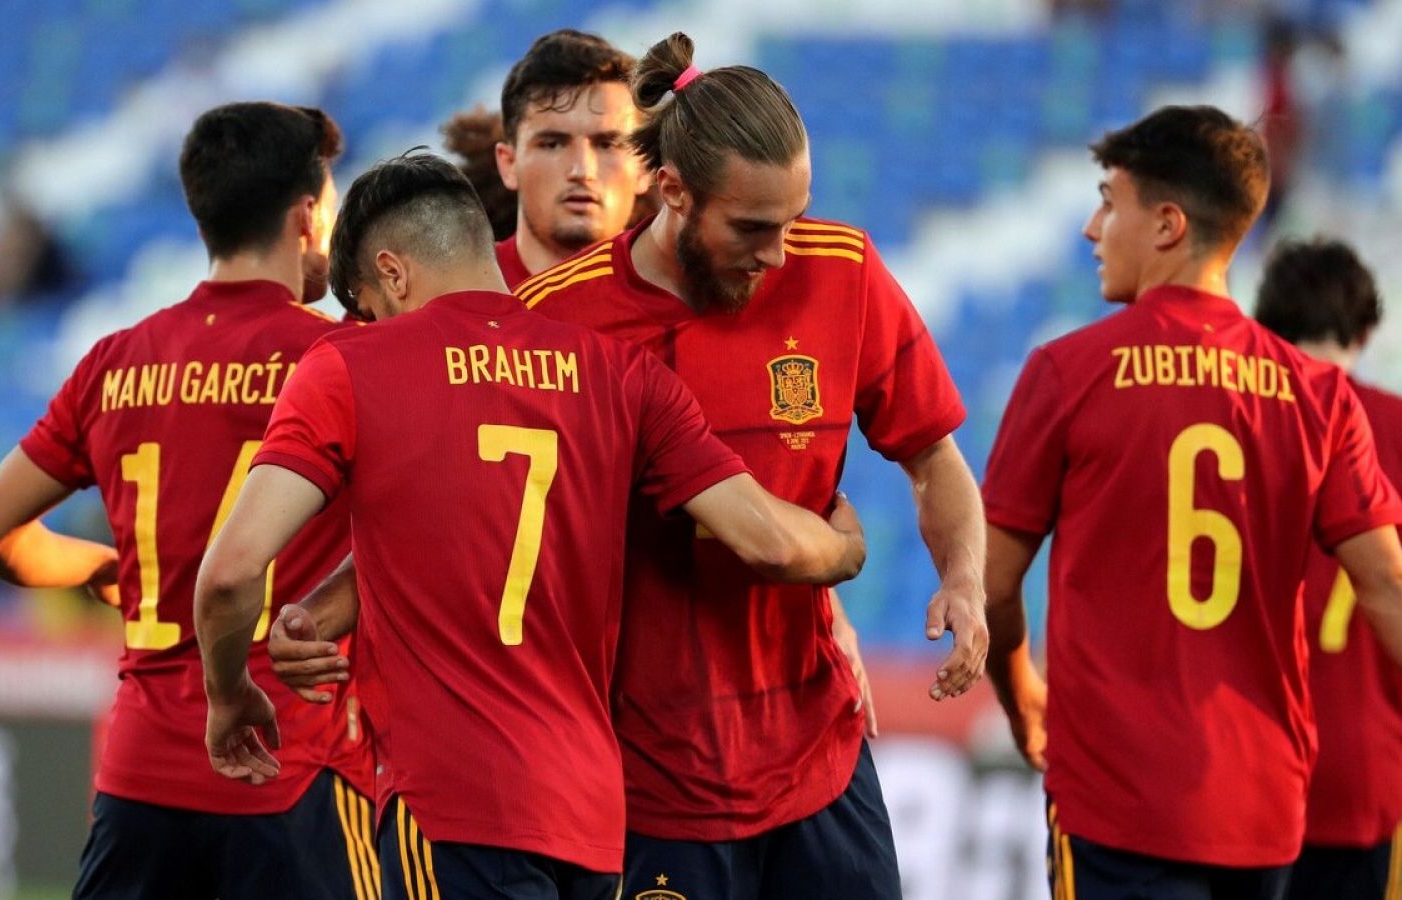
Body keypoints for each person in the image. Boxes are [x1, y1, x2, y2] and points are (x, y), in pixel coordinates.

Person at [193, 150, 868, 900]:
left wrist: (229, 698)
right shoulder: (621, 375)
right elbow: (768, 540)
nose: (367, 325)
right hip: (590, 817)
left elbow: (229, 572)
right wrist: (843, 549)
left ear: (391, 273)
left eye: (365, 305)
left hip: (450, 805)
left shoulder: (352, 364)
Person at [979, 105, 1402, 900]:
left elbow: (992, 585)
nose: (1091, 227)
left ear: (1166, 225)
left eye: (1109, 202)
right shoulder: (1317, 396)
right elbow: (1394, 587)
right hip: (1260, 809)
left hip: (1118, 802)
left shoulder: (1067, 373)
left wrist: (1022, 701)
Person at [518, 32, 987, 899]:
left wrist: (962, 576)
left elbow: (933, 458)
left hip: (819, 764)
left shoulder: (841, 272)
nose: (778, 253)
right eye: (753, 228)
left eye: (794, 221)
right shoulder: (556, 320)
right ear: (672, 192)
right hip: (647, 787)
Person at [0, 102, 377, 900]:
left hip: (140, 778)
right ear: (308, 214)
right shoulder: (341, 358)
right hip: (288, 765)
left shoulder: (115, 361)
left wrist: (102, 568)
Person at [1254, 238, 1402, 900]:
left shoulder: (1234, 418)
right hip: (1362, 766)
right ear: (1366, 330)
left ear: (1265, 326)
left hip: (1240, 768)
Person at [451, 29, 651, 287]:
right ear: (508, 164)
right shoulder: (452, 297)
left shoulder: (690, 303)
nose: (582, 170)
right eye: (553, 144)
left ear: (645, 166)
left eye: (607, 144)